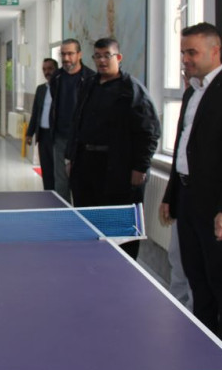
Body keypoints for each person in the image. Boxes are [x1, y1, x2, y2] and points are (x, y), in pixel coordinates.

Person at [159, 22, 222, 354]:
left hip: (217, 205)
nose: (185, 59)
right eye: (183, 52)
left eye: (192, 52)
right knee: (196, 277)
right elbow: (183, 148)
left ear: (215, 51)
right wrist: (171, 195)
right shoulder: (192, 91)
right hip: (188, 199)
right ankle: (203, 342)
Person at [67, 37, 160, 259]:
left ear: (118, 57)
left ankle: (123, 265)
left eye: (106, 56)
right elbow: (77, 123)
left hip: (118, 169)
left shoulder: (132, 89)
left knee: (119, 228)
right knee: (88, 221)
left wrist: (140, 167)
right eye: (97, 56)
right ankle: (90, 262)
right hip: (86, 166)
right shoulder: (88, 85)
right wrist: (71, 157)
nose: (101, 61)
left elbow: (150, 132)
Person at [49, 39, 95, 202]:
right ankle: (64, 215)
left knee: (81, 182)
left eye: (70, 54)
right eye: (63, 54)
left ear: (79, 54)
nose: (66, 58)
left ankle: (81, 215)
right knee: (61, 183)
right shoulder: (56, 77)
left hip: (82, 141)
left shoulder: (91, 78)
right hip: (60, 137)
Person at [25, 57, 58, 190]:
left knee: (58, 171)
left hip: (56, 136)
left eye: (50, 69)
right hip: (43, 136)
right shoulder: (41, 89)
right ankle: (48, 194)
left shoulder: (61, 88)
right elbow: (35, 113)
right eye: (44, 69)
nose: (47, 72)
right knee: (46, 169)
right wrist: (29, 133)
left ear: (56, 69)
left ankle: (59, 197)